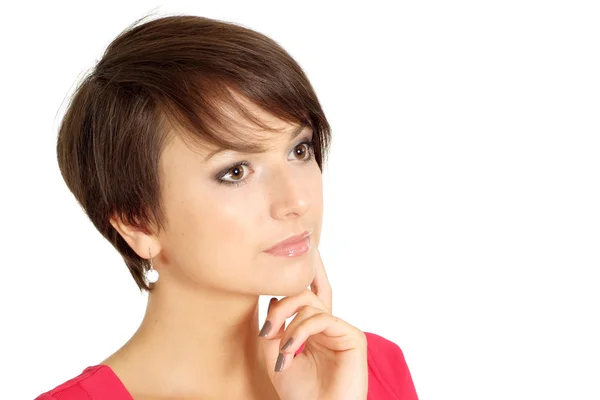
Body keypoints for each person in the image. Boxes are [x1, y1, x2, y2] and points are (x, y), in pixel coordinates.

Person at [35, 14, 418, 400]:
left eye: (299, 150)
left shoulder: (364, 368)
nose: (297, 201)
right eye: (235, 171)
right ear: (139, 223)